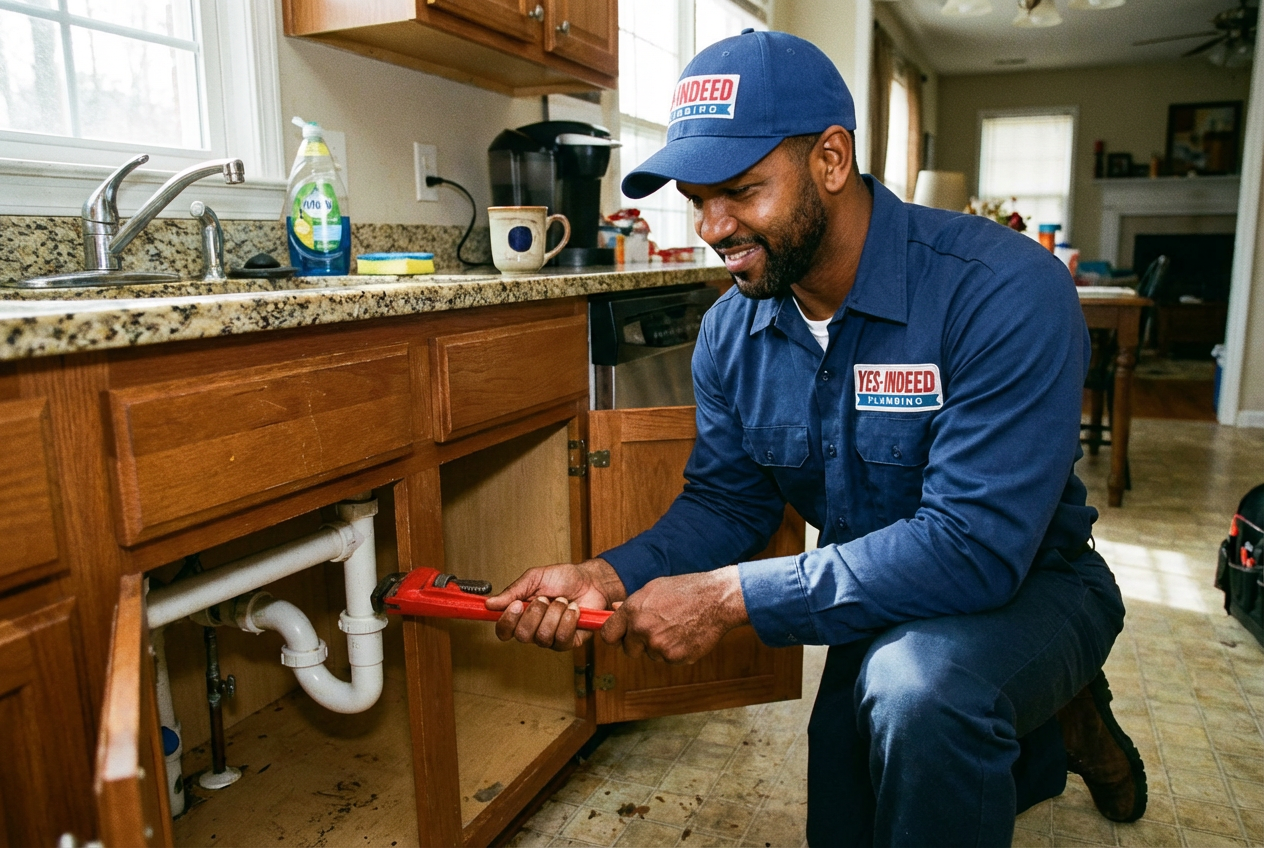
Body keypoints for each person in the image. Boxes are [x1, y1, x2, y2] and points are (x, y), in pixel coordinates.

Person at [486, 29, 1147, 847]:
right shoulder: (733, 331)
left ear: (832, 160)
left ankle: (1060, 692)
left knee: (921, 698)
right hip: (877, 593)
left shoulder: (1004, 291)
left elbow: (975, 546)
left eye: (740, 190)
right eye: (697, 198)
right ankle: (1057, 713)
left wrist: (731, 597)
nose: (713, 226)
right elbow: (729, 503)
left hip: (1031, 582)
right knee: (848, 822)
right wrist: (605, 575)